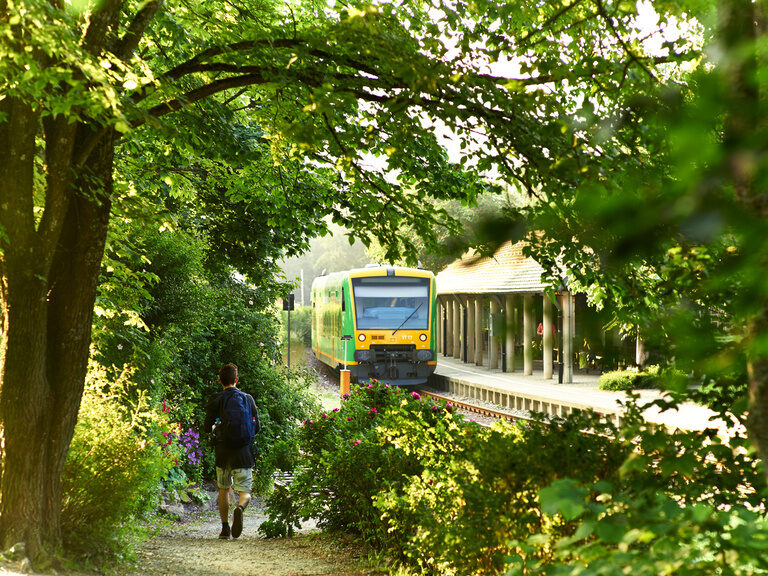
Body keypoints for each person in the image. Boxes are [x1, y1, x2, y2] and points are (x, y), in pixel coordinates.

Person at [204, 364, 261, 540]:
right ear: (236, 380)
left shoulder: (216, 399)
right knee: (245, 492)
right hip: (243, 453)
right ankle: (240, 508)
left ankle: (225, 529)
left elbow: (207, 427)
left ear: (220, 380)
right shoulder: (248, 399)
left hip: (223, 454)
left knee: (223, 489)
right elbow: (257, 427)